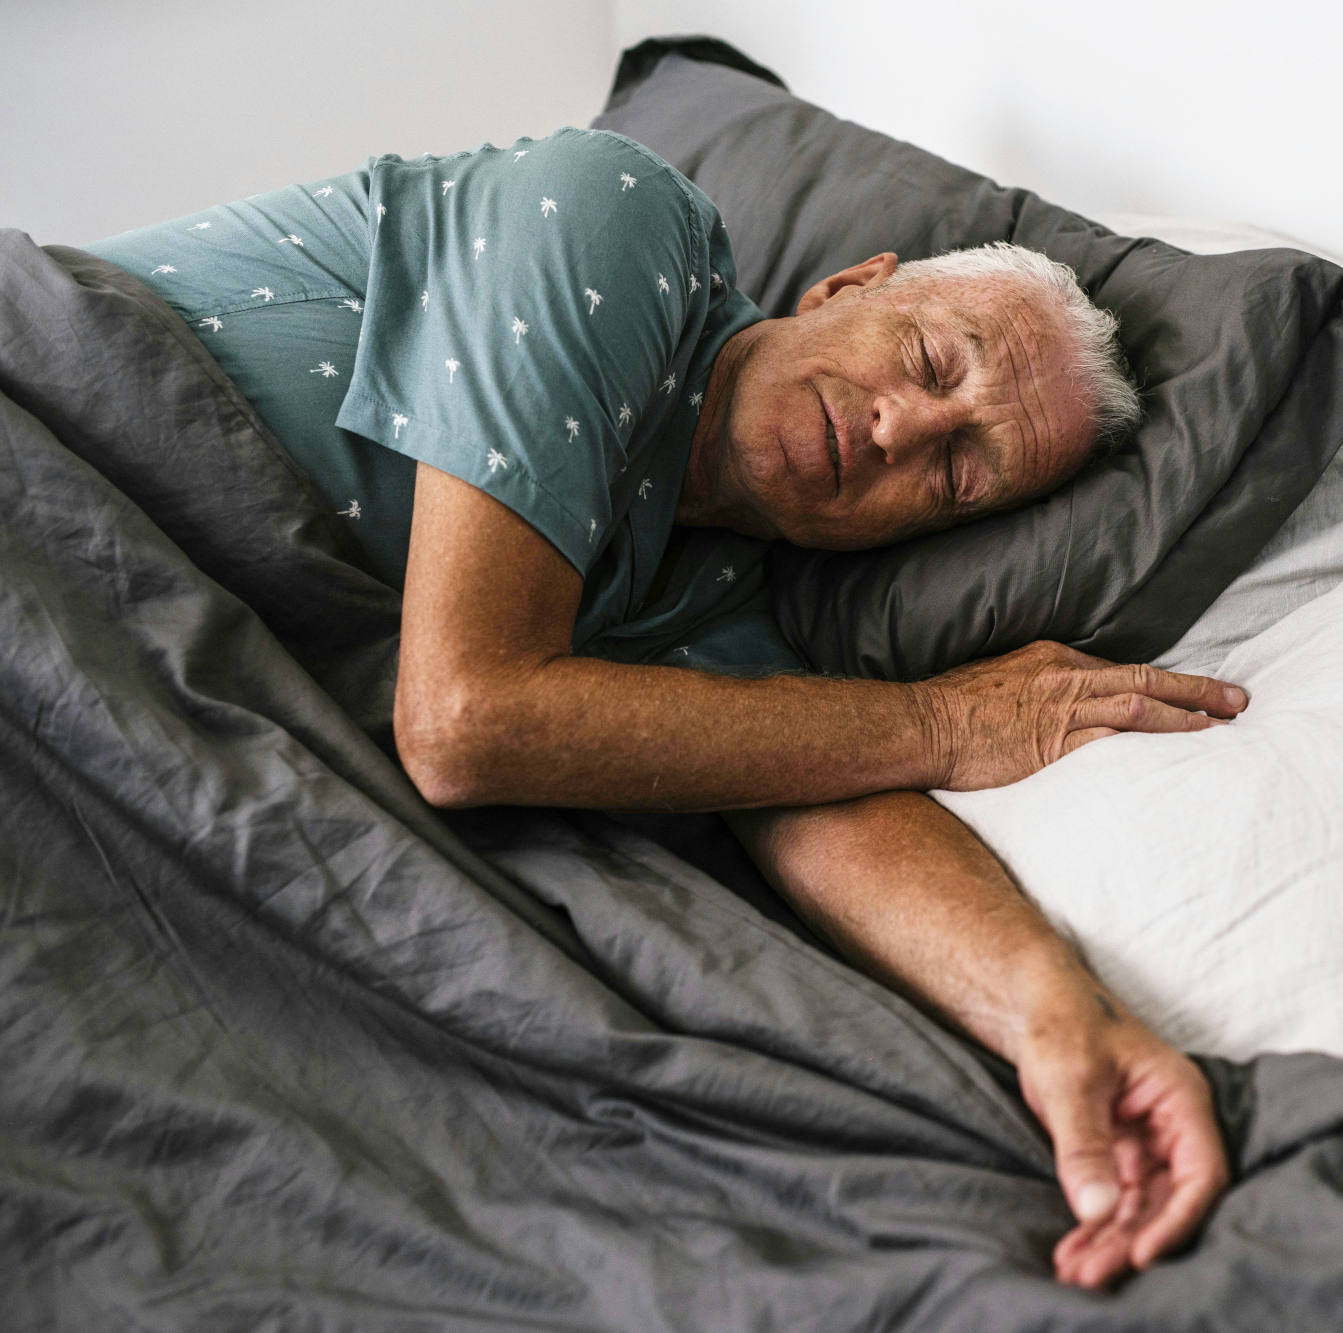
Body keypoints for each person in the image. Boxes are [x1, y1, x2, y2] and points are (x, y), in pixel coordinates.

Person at [89, 126, 1247, 1289]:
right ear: (849, 287)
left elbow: (823, 799)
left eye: (954, 476)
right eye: (933, 363)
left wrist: (1059, 1020)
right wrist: (941, 720)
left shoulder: (706, 604)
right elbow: (464, 719)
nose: (901, 428)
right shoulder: (616, 217)